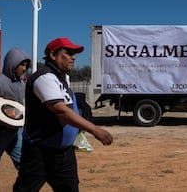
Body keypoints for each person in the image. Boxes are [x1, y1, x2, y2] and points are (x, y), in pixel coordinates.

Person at [13, 37, 113, 192]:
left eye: (74, 53)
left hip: (64, 153)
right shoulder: (44, 77)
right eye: (69, 52)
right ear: (53, 55)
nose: (73, 57)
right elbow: (61, 110)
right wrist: (95, 129)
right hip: (40, 152)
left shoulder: (60, 78)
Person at [0, 48, 31, 190]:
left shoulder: (21, 84)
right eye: (22, 65)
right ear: (12, 63)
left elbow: (20, 108)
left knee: (24, 166)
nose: (24, 69)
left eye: (26, 66)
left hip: (16, 133)